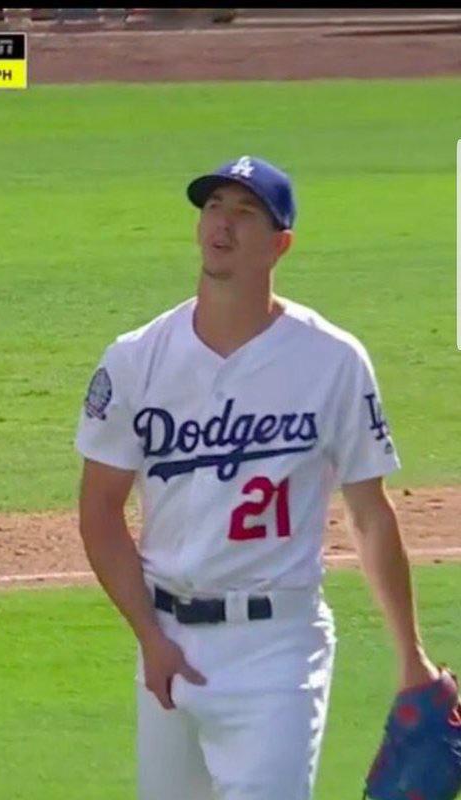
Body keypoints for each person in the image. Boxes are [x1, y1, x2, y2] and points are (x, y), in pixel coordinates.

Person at [75, 155, 440, 800]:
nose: (223, 223)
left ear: (280, 245)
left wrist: (410, 656)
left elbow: (370, 515)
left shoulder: (332, 360)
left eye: (245, 213)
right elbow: (100, 510)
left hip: (279, 649)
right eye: (214, 207)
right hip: (168, 639)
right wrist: (149, 638)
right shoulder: (136, 358)